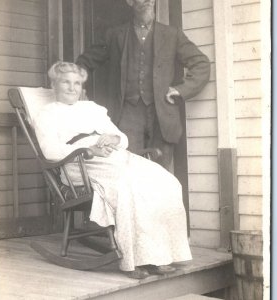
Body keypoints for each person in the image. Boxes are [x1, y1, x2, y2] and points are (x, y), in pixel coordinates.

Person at [33, 61, 192, 279]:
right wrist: (88, 149)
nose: (72, 88)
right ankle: (134, 260)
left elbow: (123, 139)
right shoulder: (47, 114)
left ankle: (161, 255)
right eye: (66, 82)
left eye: (77, 83)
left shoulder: (92, 109)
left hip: (114, 156)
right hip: (79, 164)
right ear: (54, 85)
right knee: (129, 188)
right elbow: (50, 151)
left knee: (166, 181)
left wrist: (113, 138)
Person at [76, 0, 210, 171]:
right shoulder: (115, 35)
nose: (147, 1)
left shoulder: (171, 34)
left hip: (161, 116)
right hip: (127, 116)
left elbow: (201, 64)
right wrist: (79, 86)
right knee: (128, 170)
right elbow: (85, 61)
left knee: (160, 174)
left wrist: (181, 90)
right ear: (130, 2)